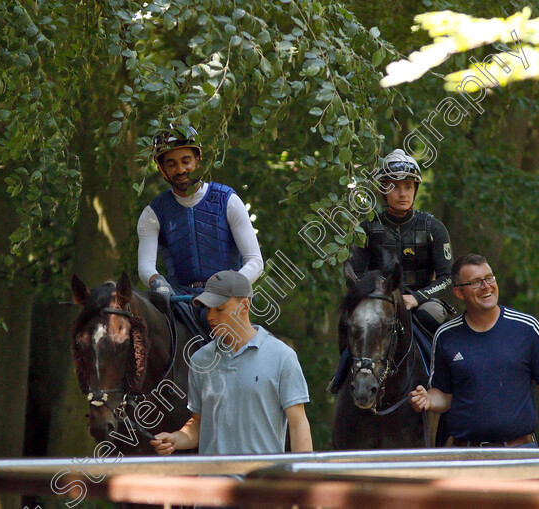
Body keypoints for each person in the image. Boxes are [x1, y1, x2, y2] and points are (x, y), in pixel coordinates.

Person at [329, 148, 453, 393]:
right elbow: (354, 276)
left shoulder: (434, 228)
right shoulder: (365, 229)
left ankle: (445, 384)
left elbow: (448, 278)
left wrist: (415, 298)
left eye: (408, 186)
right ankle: (343, 374)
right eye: (394, 187)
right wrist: (376, 296)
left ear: (415, 189)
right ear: (383, 190)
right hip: (378, 300)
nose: (402, 193)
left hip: (420, 302)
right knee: (348, 319)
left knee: (436, 318)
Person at [150, 270, 313, 455]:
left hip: (261, 481)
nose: (210, 316)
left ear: (244, 305)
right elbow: (198, 423)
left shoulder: (282, 357)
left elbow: (298, 424)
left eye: (219, 308)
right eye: (208, 308)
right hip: (211, 483)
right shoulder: (200, 360)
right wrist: (175, 439)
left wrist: (303, 476)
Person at [409, 254, 539, 447]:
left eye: (489, 278)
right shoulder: (446, 336)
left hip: (520, 453)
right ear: (459, 293)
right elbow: (445, 396)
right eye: (475, 282)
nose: (486, 286)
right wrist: (428, 399)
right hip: (464, 456)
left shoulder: (527, 328)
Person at [137, 124, 264, 299]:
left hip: (228, 301)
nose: (180, 170)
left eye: (186, 161)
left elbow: (255, 261)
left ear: (198, 160)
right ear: (162, 169)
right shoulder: (153, 213)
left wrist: (228, 287)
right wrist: (157, 281)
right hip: (179, 301)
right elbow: (145, 265)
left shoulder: (228, 201)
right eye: (171, 164)